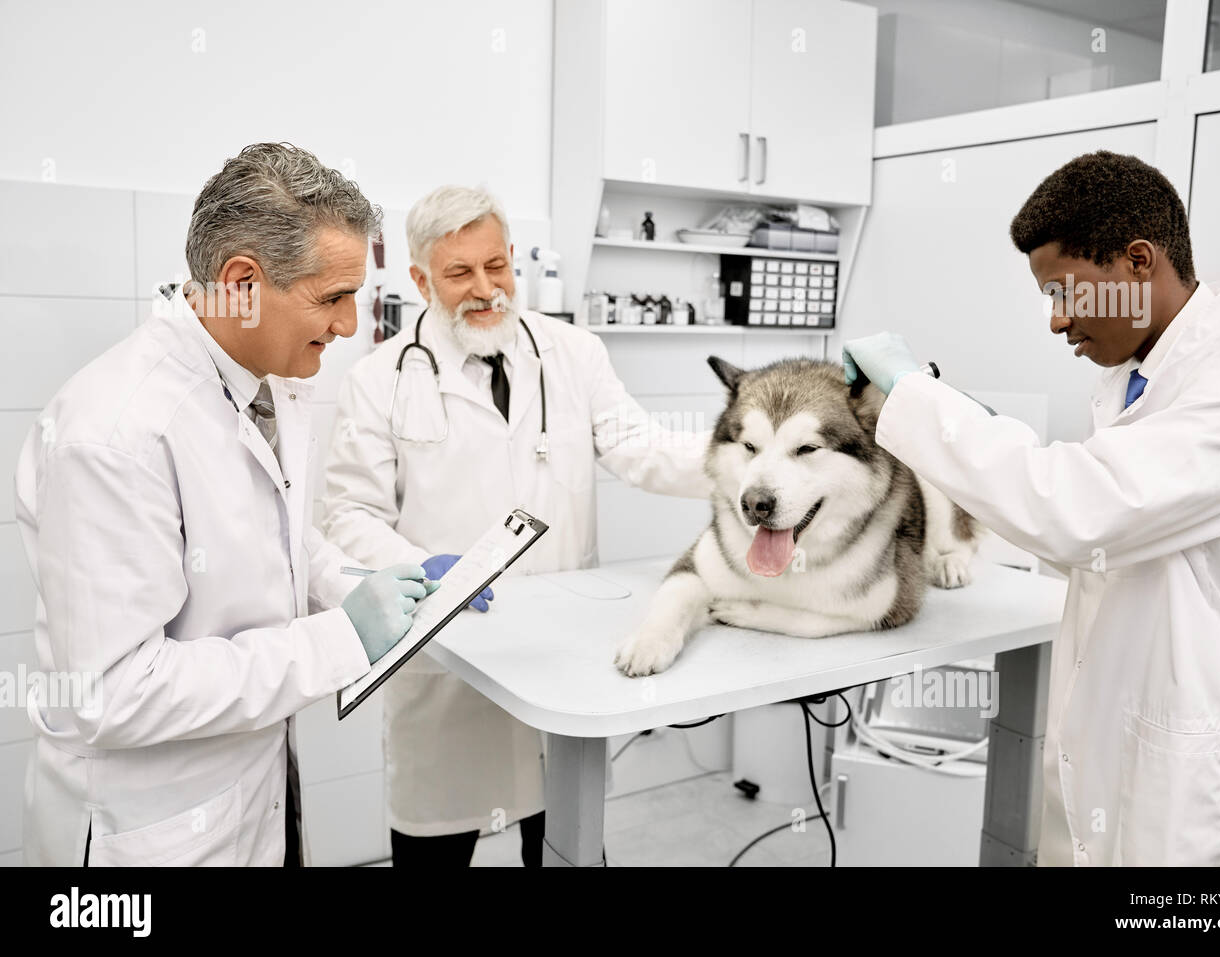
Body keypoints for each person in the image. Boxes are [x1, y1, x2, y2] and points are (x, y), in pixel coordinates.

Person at [843, 150, 1220, 866]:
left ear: (1138, 262)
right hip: (1133, 741)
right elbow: (1091, 492)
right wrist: (933, 400)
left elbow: (1079, 508)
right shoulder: (1140, 379)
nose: (1056, 322)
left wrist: (910, 396)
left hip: (1211, 778)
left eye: (1064, 291)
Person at [14, 142, 434, 866]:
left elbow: (277, 537)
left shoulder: (269, 379)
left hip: (254, 785)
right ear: (241, 283)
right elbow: (110, 693)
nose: (347, 325)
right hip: (148, 830)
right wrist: (339, 639)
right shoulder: (116, 433)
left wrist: (354, 585)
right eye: (332, 297)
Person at [322, 185, 712, 866]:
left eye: (496, 265)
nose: (486, 289)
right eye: (460, 273)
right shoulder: (378, 380)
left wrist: (749, 463)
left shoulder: (573, 353)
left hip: (561, 657)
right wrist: (421, 567)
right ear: (419, 279)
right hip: (451, 656)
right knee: (433, 847)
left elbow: (641, 448)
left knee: (564, 840)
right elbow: (350, 513)